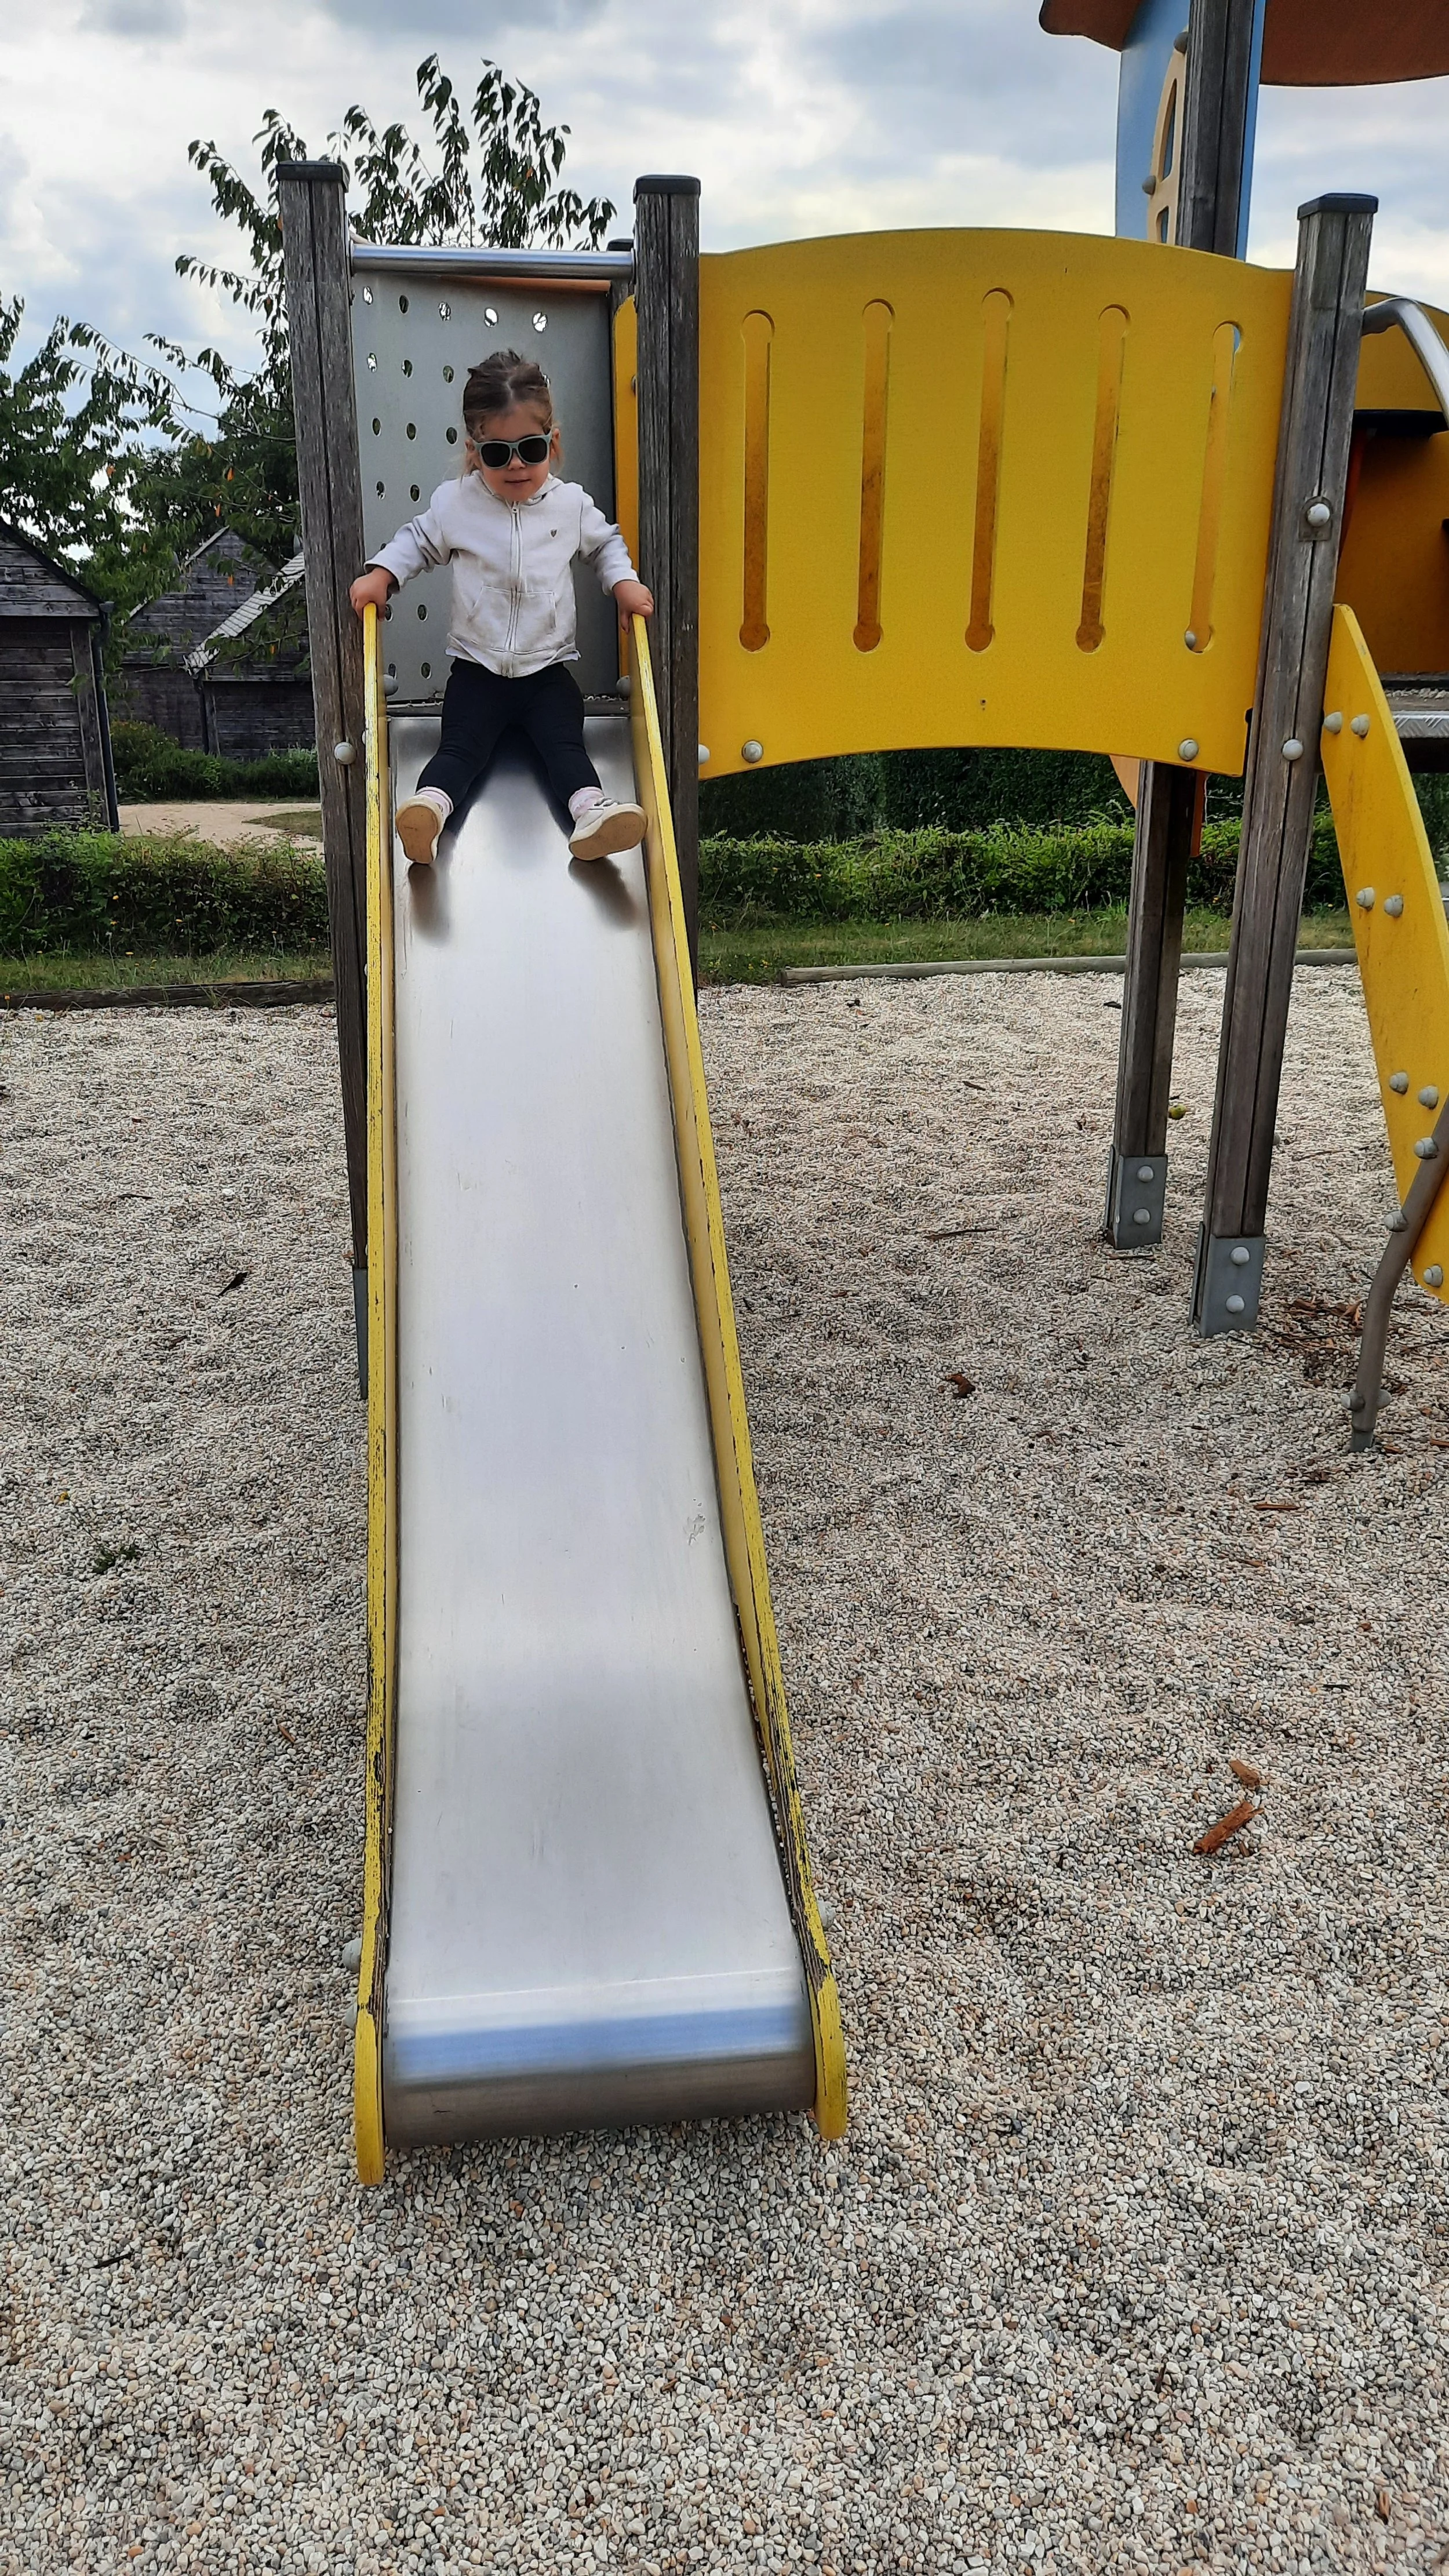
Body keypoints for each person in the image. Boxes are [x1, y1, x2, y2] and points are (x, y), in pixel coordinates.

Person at [349, 348, 654, 867]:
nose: (516, 464)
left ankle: (591, 816)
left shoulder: (571, 504)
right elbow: (418, 541)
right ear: (474, 451)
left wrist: (622, 583)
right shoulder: (456, 503)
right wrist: (383, 573)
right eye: (497, 454)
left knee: (566, 748)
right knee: (459, 751)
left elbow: (605, 546)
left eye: (530, 449)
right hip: (478, 670)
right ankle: (428, 812)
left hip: (547, 671)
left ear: (552, 445)